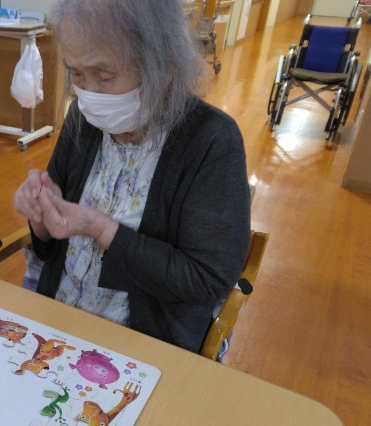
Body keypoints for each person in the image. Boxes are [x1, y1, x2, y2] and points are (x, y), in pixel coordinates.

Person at [13, 0, 251, 354]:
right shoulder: (83, 120)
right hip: (57, 325)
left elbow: (206, 281)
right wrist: (41, 216)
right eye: (76, 75)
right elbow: (48, 250)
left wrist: (101, 228)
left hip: (144, 346)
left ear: (163, 66)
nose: (88, 94)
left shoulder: (212, 141)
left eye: (104, 76)